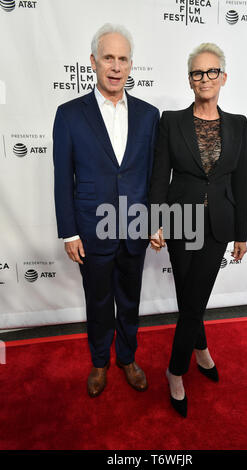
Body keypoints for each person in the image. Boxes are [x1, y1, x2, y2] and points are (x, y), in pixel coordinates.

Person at [53, 24, 160, 398]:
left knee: (130, 300)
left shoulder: (149, 115)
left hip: (134, 228)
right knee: (97, 302)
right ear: (93, 63)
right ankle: (100, 362)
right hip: (91, 229)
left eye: (123, 59)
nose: (115, 66)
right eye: (108, 58)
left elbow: (153, 176)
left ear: (131, 65)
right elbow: (63, 177)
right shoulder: (68, 114)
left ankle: (127, 358)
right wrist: (68, 231)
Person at [149, 43, 247, 417]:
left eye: (211, 72)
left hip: (218, 225)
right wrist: (155, 220)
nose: (204, 79)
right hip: (179, 221)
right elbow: (160, 176)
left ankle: (175, 370)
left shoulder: (238, 124)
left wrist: (242, 233)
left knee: (194, 299)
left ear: (223, 77)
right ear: (189, 79)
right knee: (189, 297)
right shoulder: (171, 120)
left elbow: (242, 181)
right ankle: (201, 349)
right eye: (196, 72)